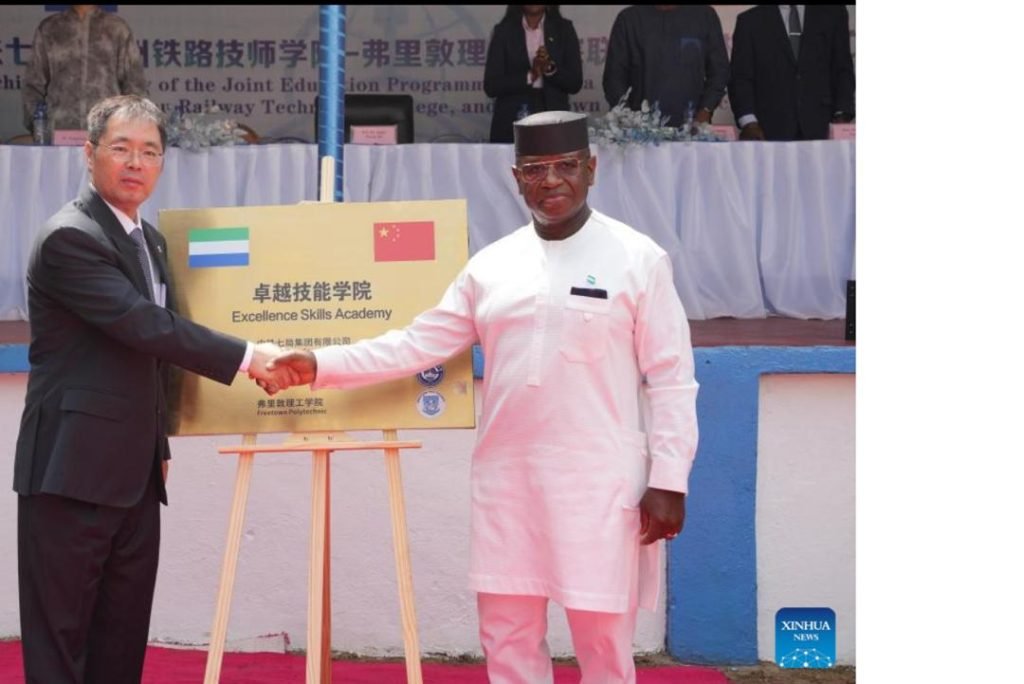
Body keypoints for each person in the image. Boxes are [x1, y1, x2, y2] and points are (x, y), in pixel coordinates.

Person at [267, 111, 699, 683]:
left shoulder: (638, 258)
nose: (552, 181)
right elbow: (414, 345)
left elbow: (671, 378)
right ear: (514, 177)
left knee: (603, 642)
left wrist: (669, 478)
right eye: (536, 169)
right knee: (508, 637)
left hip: (599, 484)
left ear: (591, 169)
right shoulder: (492, 267)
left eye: (566, 166)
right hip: (508, 483)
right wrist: (321, 364)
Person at [13, 94, 287, 684]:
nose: (136, 163)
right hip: (70, 474)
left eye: (150, 152)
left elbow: (148, 359)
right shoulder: (70, 237)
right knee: (62, 644)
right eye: (121, 149)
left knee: (121, 639)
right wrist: (248, 356)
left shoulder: (152, 243)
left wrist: (158, 448)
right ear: (88, 155)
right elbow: (144, 325)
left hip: (136, 478)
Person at [728, 5, 855, 141]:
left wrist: (842, 114)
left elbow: (842, 69)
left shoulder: (834, 14)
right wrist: (749, 122)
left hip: (824, 128)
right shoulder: (749, 20)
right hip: (767, 131)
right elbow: (740, 77)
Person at [22, 5, 148, 133]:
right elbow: (33, 84)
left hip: (107, 131)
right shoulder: (50, 28)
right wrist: (38, 126)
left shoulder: (117, 29)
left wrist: (130, 129)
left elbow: (135, 86)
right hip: (59, 130)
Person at [602, 5, 729, 128]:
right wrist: (627, 119)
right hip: (638, 133)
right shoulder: (628, 19)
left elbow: (719, 72)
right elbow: (614, 77)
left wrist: (705, 111)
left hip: (693, 129)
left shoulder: (705, 15)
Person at [483, 5, 583, 143]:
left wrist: (549, 69)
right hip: (512, 119)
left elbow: (575, 83)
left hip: (554, 118)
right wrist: (531, 75)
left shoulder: (563, 29)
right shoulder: (504, 31)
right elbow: (491, 86)